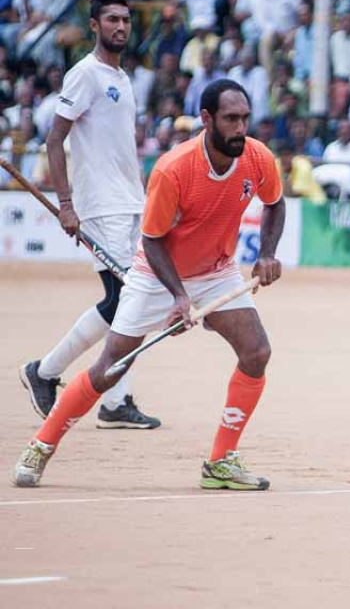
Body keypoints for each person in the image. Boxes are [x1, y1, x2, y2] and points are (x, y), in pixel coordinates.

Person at [14, 79, 286, 490]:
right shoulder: (174, 168)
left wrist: (267, 252)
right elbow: (153, 240)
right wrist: (178, 297)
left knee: (256, 351)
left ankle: (219, 463)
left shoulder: (257, 157)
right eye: (231, 119)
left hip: (216, 271)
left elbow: (275, 203)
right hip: (156, 275)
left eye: (246, 118)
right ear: (207, 119)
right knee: (109, 370)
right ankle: (41, 444)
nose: (240, 128)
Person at [19, 0, 160, 430]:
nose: (121, 27)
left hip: (130, 202)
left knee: (130, 302)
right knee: (121, 299)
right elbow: (54, 139)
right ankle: (45, 371)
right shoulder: (85, 74)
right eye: (112, 19)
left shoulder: (124, 77)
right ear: (94, 25)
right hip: (100, 206)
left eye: (125, 20)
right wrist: (65, 203)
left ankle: (115, 401)